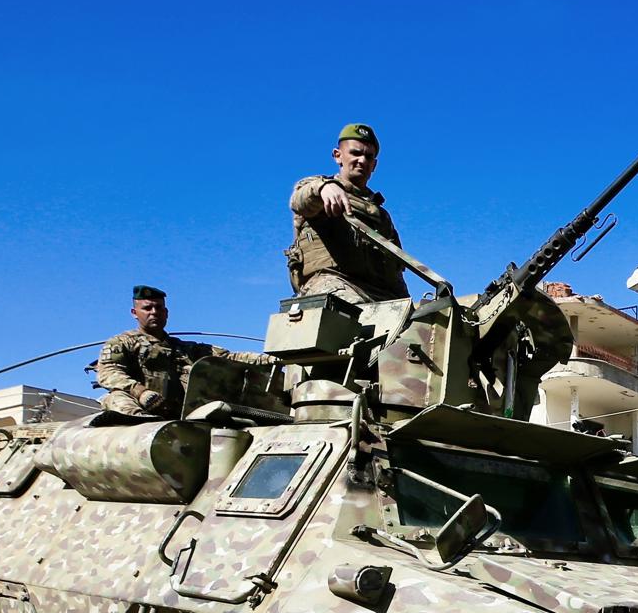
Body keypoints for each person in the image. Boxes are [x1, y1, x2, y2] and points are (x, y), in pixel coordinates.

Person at [96, 286, 274, 418]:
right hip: (140, 406)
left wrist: (271, 359)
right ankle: (141, 421)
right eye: (147, 308)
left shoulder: (184, 348)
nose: (154, 312)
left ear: (166, 312)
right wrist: (141, 392)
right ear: (134, 313)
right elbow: (108, 372)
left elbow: (229, 357)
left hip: (178, 413)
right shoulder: (122, 343)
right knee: (116, 398)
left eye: (159, 308)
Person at [287, 123, 410, 304]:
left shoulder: (381, 216)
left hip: (380, 294)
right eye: (355, 153)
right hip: (331, 282)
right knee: (359, 312)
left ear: (374, 164)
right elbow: (299, 201)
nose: (362, 160)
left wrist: (409, 306)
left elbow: (395, 270)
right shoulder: (317, 188)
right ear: (338, 156)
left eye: (368, 156)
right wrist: (324, 187)